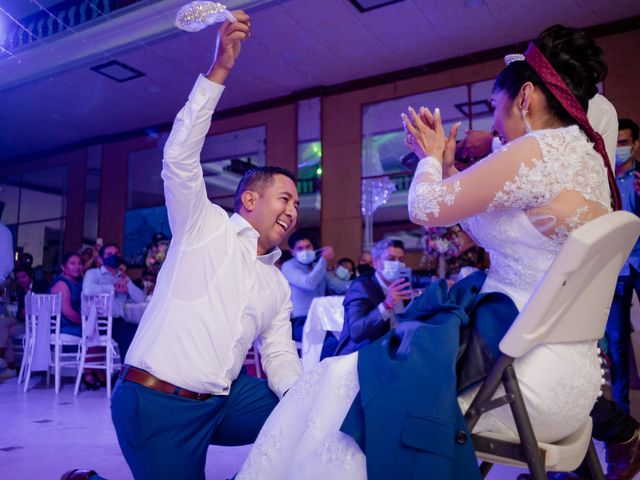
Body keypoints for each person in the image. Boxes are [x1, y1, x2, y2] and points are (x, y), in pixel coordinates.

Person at [235, 25, 623, 479]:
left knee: (342, 382)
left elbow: (423, 208)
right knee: (351, 375)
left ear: (526, 97)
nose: (496, 125)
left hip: (519, 379)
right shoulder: (588, 157)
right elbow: (495, 228)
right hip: (575, 382)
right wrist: (448, 166)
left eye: (496, 109)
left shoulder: (536, 151)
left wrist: (427, 156)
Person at [110, 12, 302, 480]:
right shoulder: (203, 225)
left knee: (302, 411)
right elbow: (177, 158)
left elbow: (277, 355)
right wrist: (219, 70)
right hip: (157, 401)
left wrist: (307, 399)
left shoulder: (276, 285)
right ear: (251, 199)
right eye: (285, 198)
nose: (293, 211)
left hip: (224, 403)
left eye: (298, 203)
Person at [605, 118, 640, 413]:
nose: (619, 149)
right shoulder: (603, 183)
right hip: (615, 268)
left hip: (639, 261)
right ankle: (622, 414)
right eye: (615, 143)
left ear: (636, 145)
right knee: (616, 342)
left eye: (624, 143)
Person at [334, 239, 412, 356]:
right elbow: (357, 332)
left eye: (401, 260)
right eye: (391, 259)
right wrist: (387, 304)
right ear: (376, 263)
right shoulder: (361, 286)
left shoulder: (402, 283)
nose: (397, 264)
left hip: (391, 349)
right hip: (360, 353)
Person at [82, 242, 143, 361]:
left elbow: (140, 299)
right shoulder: (94, 273)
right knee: (128, 335)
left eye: (116, 253)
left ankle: (133, 371)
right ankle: (126, 373)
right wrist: (113, 288)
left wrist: (128, 285)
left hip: (119, 321)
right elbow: (88, 290)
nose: (113, 256)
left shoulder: (123, 278)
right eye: (109, 254)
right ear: (100, 258)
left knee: (142, 332)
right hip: (98, 321)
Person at [281, 230, 336, 358]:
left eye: (307, 247)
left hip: (323, 319)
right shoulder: (289, 267)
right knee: (330, 343)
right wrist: (323, 260)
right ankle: (319, 374)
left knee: (347, 337)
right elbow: (309, 283)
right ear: (292, 251)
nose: (304, 251)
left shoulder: (317, 266)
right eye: (299, 248)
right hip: (300, 321)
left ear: (313, 247)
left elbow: (336, 285)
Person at [0, 264, 48, 376]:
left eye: (23, 276)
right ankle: (5, 361)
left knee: (8, 332)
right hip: (24, 320)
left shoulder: (41, 286)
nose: (21, 280)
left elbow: (47, 305)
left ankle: (9, 365)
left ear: (30, 276)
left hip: (37, 323)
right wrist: (22, 313)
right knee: (3, 323)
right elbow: (19, 315)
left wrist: (32, 310)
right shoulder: (21, 292)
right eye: (18, 278)